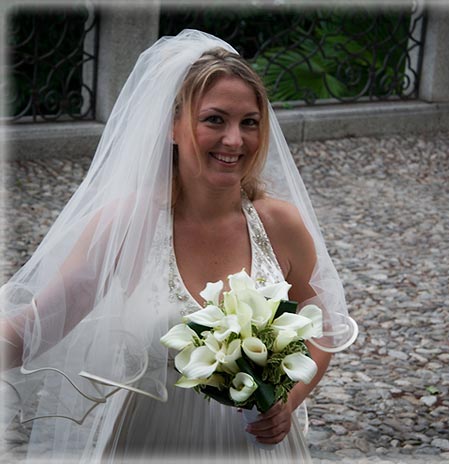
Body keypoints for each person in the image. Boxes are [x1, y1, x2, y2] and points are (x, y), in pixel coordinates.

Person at [1, 30, 357, 463]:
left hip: (256, 446)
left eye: (249, 122)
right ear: (171, 126)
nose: (235, 140)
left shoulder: (279, 223)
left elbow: (324, 328)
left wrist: (289, 401)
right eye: (214, 120)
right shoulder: (127, 224)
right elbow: (38, 324)